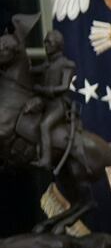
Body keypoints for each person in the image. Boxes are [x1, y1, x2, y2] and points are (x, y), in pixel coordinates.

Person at [28, 30, 75, 171]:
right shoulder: (46, 64)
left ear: (58, 45)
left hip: (58, 104)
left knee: (44, 125)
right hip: (44, 101)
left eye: (49, 42)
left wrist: (44, 89)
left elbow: (64, 86)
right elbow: (30, 70)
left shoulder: (67, 64)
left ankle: (46, 160)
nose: (46, 45)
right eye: (45, 42)